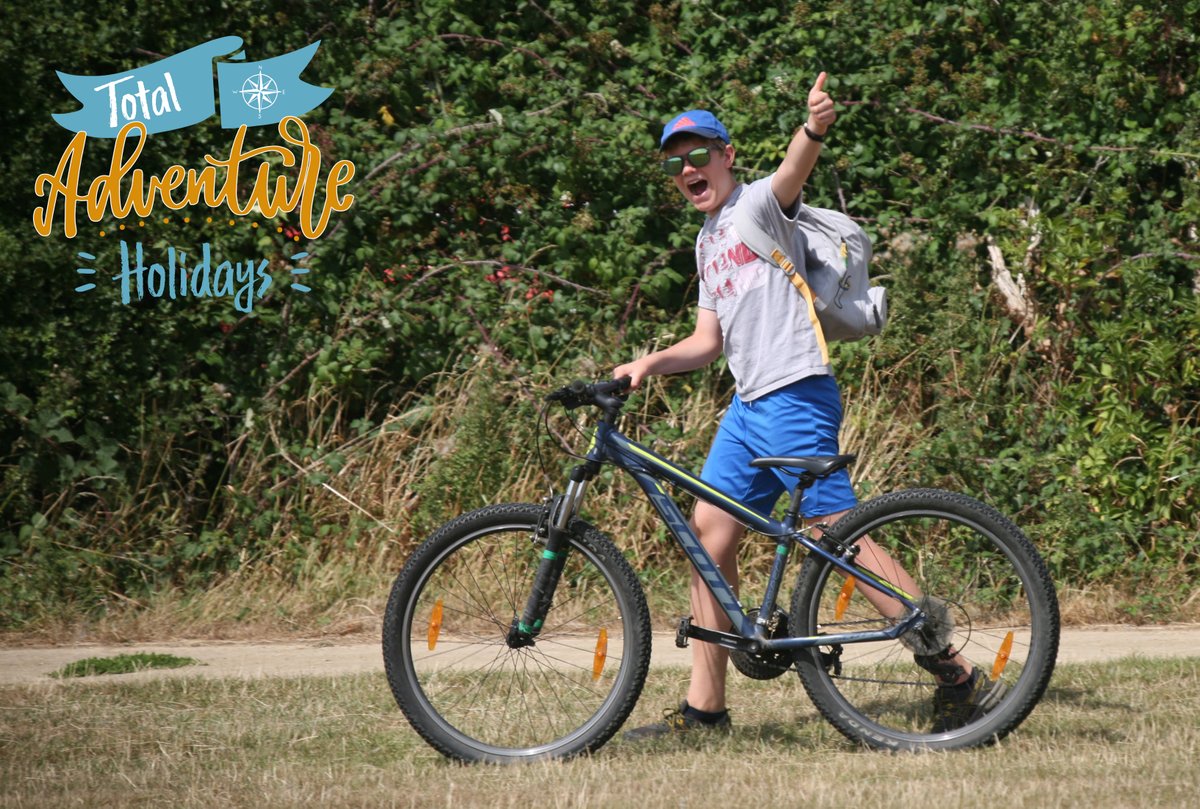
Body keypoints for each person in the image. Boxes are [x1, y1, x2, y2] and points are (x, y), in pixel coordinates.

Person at [616, 74, 1004, 738]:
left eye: (698, 154)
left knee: (835, 536)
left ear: (726, 155)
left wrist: (815, 126)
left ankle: (956, 669)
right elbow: (708, 342)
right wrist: (650, 362)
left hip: (795, 390)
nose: (687, 169)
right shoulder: (708, 240)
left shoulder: (758, 208)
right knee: (707, 534)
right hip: (746, 408)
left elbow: (794, 170)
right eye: (674, 161)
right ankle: (705, 709)